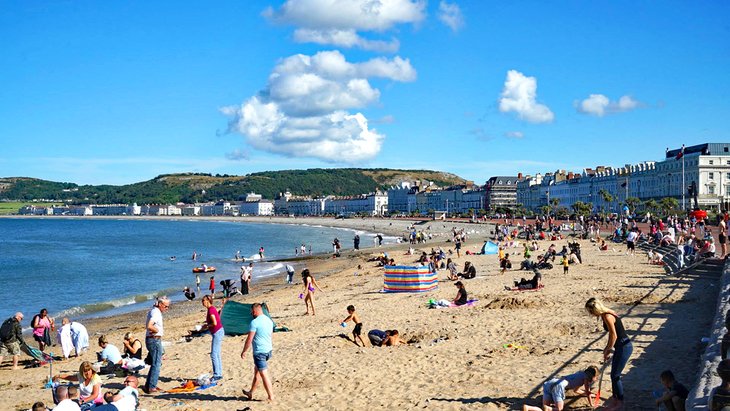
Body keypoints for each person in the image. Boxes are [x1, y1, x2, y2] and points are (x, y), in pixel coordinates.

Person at [585, 297, 633, 410]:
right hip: (620, 346)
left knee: (615, 376)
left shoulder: (607, 316)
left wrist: (607, 349)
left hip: (624, 346)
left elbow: (614, 335)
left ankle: (620, 402)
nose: (591, 314)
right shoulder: (606, 314)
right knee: (613, 375)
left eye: (590, 311)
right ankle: (615, 399)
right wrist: (608, 349)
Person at [522, 366, 598, 411]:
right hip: (559, 386)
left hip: (550, 383)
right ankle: (549, 409)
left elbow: (576, 390)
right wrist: (591, 404)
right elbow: (588, 392)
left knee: (543, 408)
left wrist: (585, 394)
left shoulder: (579, 374)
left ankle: (528, 408)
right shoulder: (586, 378)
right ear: (592, 376)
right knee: (559, 409)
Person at [241, 303, 274, 403]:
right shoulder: (269, 320)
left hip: (260, 352)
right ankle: (251, 392)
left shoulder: (254, 322)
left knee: (263, 374)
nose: (251, 313)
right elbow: (270, 335)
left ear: (255, 311)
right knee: (257, 372)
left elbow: (249, 339)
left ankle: (271, 396)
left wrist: (244, 351)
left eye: (252, 312)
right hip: (269, 350)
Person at [143, 296, 169, 394]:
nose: (167, 309)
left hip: (152, 340)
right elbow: (149, 325)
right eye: (166, 306)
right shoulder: (156, 313)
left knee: (155, 363)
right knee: (157, 364)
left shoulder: (154, 311)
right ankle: (151, 387)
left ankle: (149, 385)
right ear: (161, 304)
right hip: (154, 340)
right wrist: (156, 330)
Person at [202, 295, 224, 382]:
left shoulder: (211, 310)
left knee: (214, 354)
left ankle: (217, 374)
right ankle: (219, 373)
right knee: (217, 353)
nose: (202, 302)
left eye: (203, 300)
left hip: (217, 332)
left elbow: (214, 322)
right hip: (218, 331)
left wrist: (206, 326)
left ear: (208, 301)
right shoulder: (211, 309)